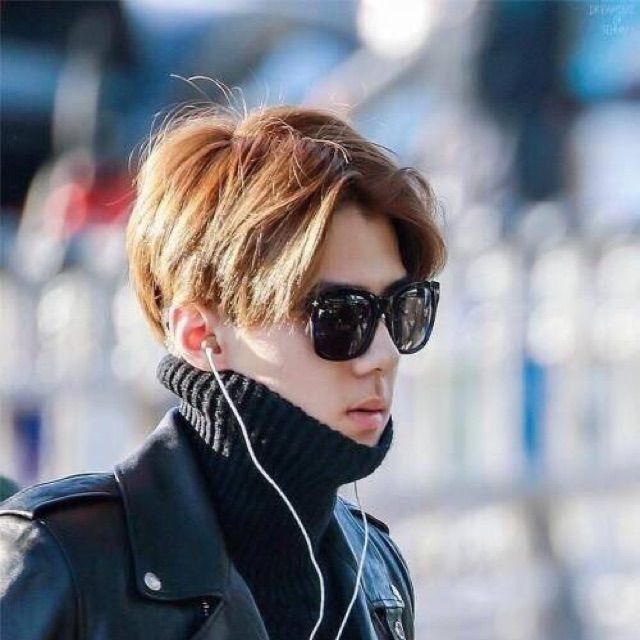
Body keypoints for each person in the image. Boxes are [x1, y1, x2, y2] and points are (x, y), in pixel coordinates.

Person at [0, 104, 445, 639]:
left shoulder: (378, 573)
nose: (383, 353)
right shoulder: (59, 563)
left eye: (402, 309)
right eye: (340, 317)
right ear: (199, 335)